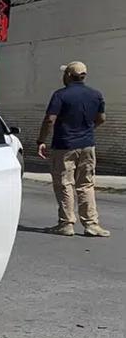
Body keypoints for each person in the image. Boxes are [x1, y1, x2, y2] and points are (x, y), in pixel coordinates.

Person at [36, 61, 111, 237]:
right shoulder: (96, 95)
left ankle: (66, 223)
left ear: (68, 75)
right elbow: (101, 118)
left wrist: (41, 140)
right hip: (87, 145)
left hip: (64, 146)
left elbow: (49, 120)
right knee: (86, 184)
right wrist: (88, 130)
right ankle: (91, 224)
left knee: (64, 184)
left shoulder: (60, 95)